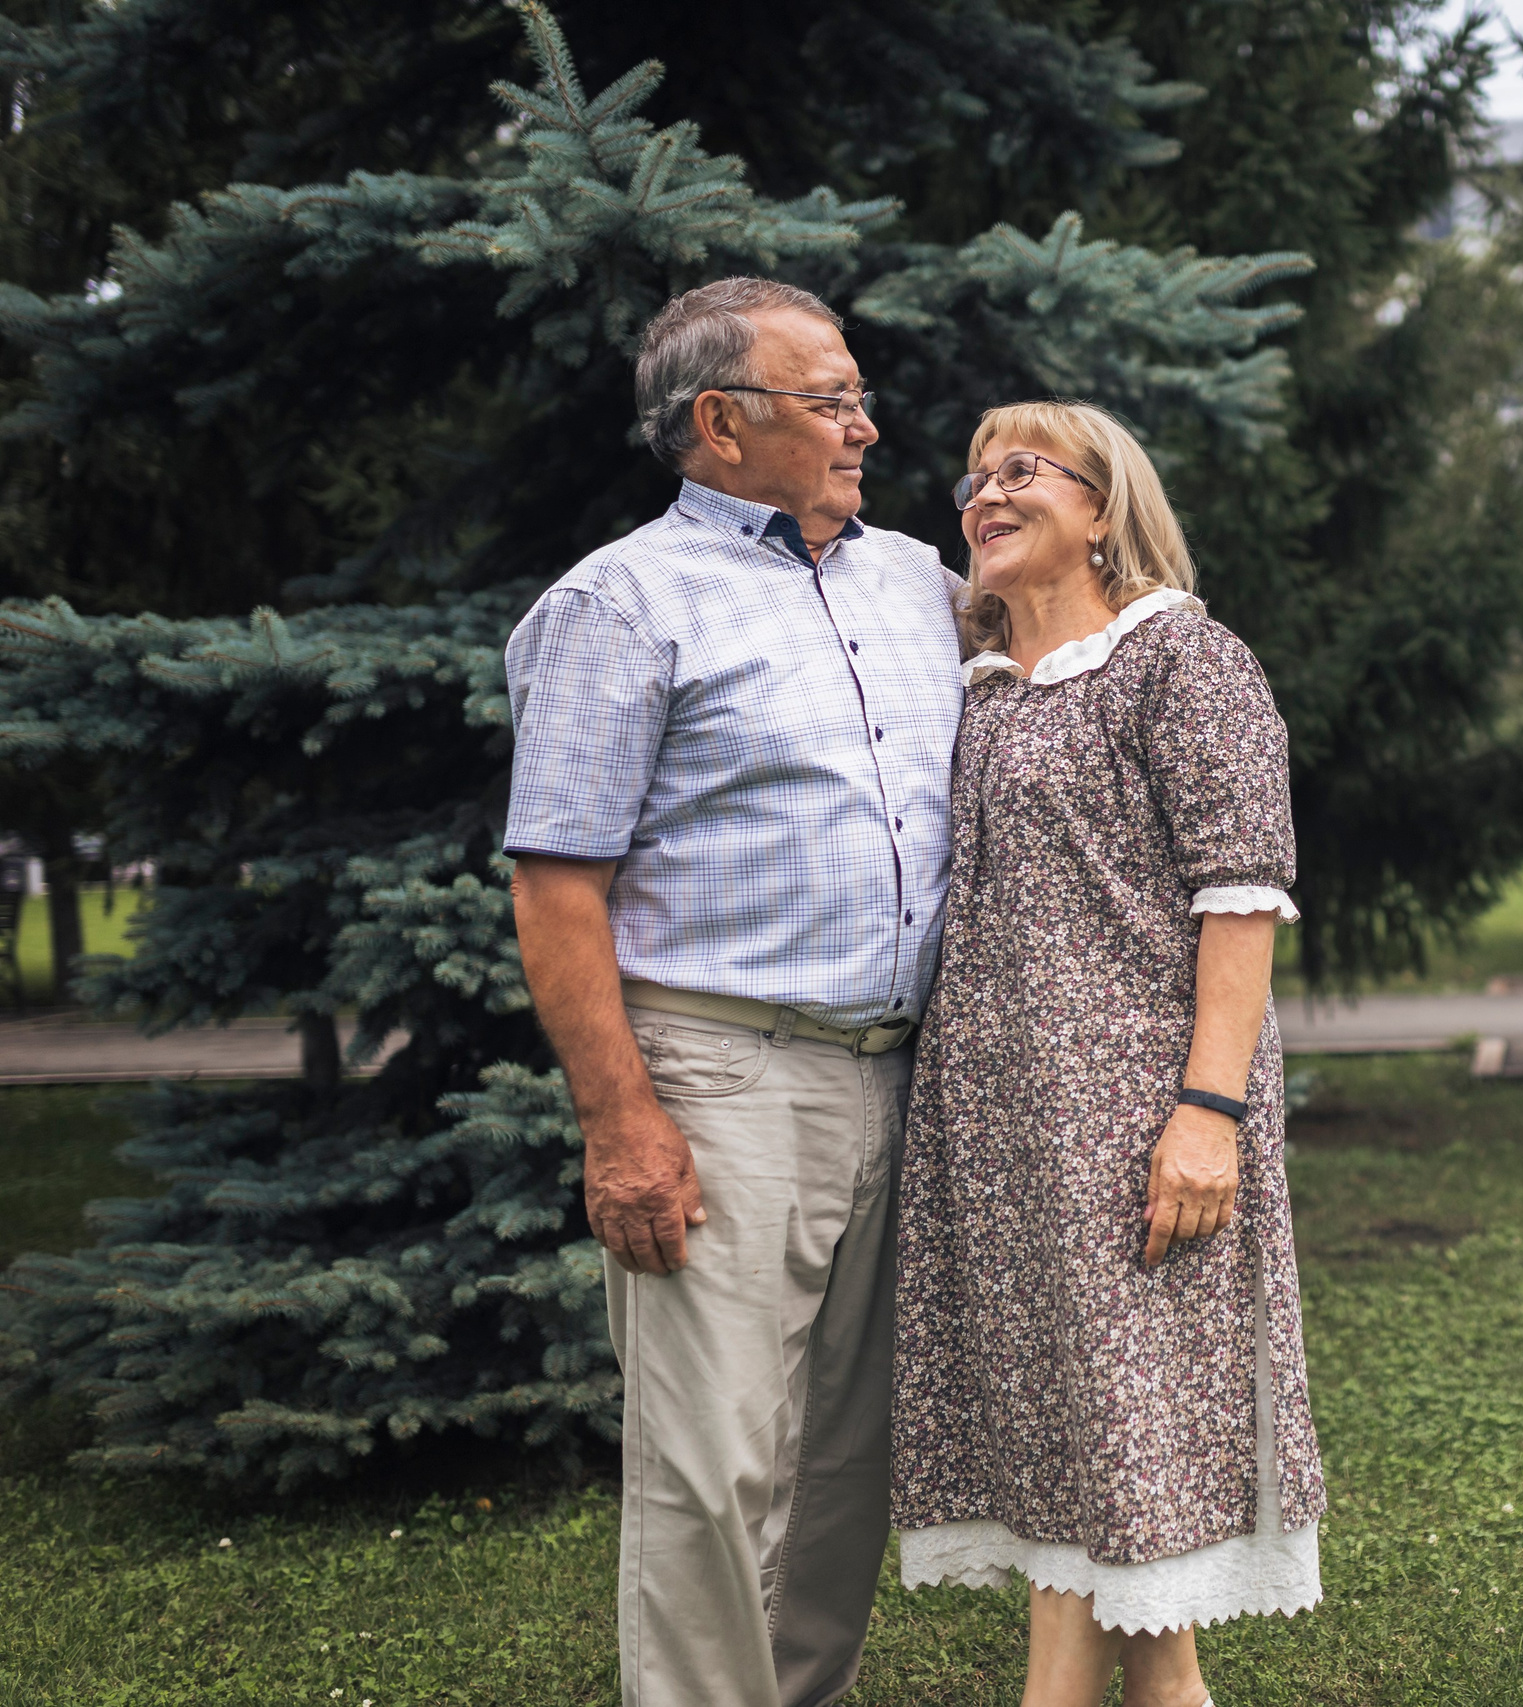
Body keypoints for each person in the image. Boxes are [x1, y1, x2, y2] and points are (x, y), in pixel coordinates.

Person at [504, 277, 963, 1707]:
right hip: (723, 1074)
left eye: (858, 395)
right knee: (714, 1468)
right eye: (829, 399)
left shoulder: (915, 584)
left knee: (845, 1458)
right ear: (720, 422)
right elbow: (556, 884)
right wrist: (620, 1122)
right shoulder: (619, 603)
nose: (866, 427)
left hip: (910, 1071)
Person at [893, 402, 1323, 1707]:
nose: (987, 490)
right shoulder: (984, 693)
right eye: (974, 475)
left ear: (1103, 506)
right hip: (999, 1134)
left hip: (1133, 1125)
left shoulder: (1181, 660)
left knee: (1115, 1447)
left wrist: (1207, 1112)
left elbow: (1240, 895)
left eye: (1023, 468)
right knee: (1082, 1458)